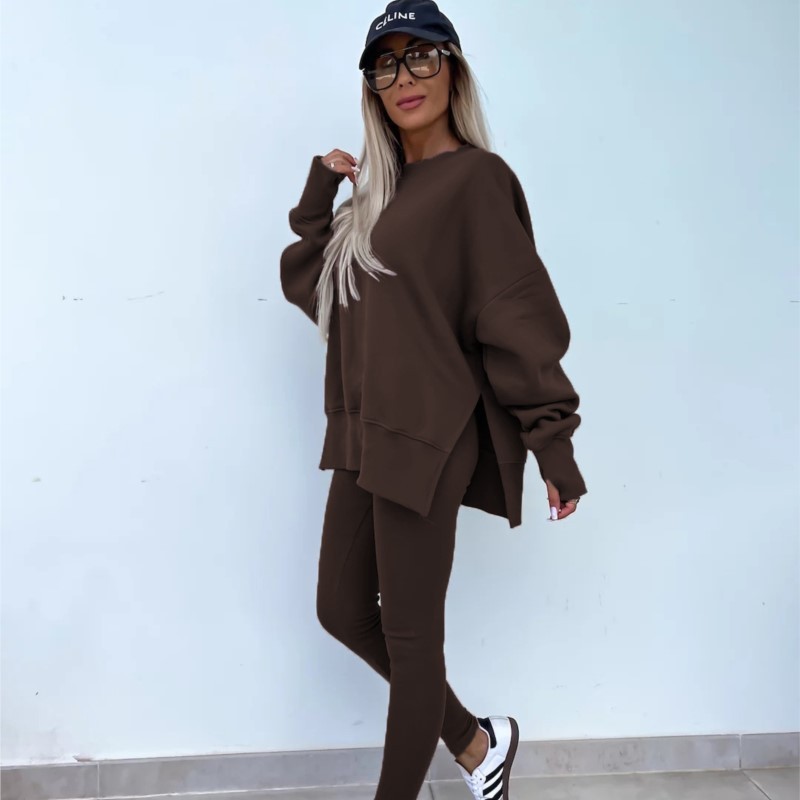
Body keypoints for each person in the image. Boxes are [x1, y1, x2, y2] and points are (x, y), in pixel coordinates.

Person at [279, 1, 588, 797]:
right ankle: (479, 745)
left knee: (414, 643)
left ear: (453, 68)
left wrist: (552, 443)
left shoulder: (479, 181)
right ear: (372, 88)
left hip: (431, 435)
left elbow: (516, 315)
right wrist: (320, 193)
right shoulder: (379, 197)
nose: (404, 76)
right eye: (386, 63)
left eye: (421, 56)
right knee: (341, 610)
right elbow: (313, 285)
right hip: (365, 433)